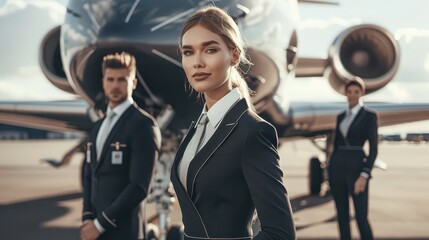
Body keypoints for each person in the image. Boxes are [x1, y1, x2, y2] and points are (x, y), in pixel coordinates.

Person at [170, 6, 296, 240]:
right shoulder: (198, 127)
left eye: (210, 49)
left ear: (234, 56)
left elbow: (280, 234)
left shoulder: (253, 132)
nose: (197, 62)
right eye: (188, 52)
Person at [81, 52, 161, 240]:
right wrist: (87, 217)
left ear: (133, 83)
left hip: (125, 232)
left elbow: (139, 187)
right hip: (94, 231)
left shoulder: (144, 125)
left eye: (122, 80)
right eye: (110, 79)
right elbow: (89, 174)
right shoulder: (97, 127)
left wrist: (100, 225)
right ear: (103, 82)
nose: (115, 85)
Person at [328, 77, 378, 240]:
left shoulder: (369, 116)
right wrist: (330, 168)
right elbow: (335, 146)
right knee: (342, 217)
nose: (353, 95)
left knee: (361, 217)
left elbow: (373, 149)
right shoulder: (341, 116)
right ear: (345, 93)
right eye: (349, 92)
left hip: (357, 170)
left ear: (362, 93)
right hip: (337, 170)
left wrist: (365, 174)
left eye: (356, 92)